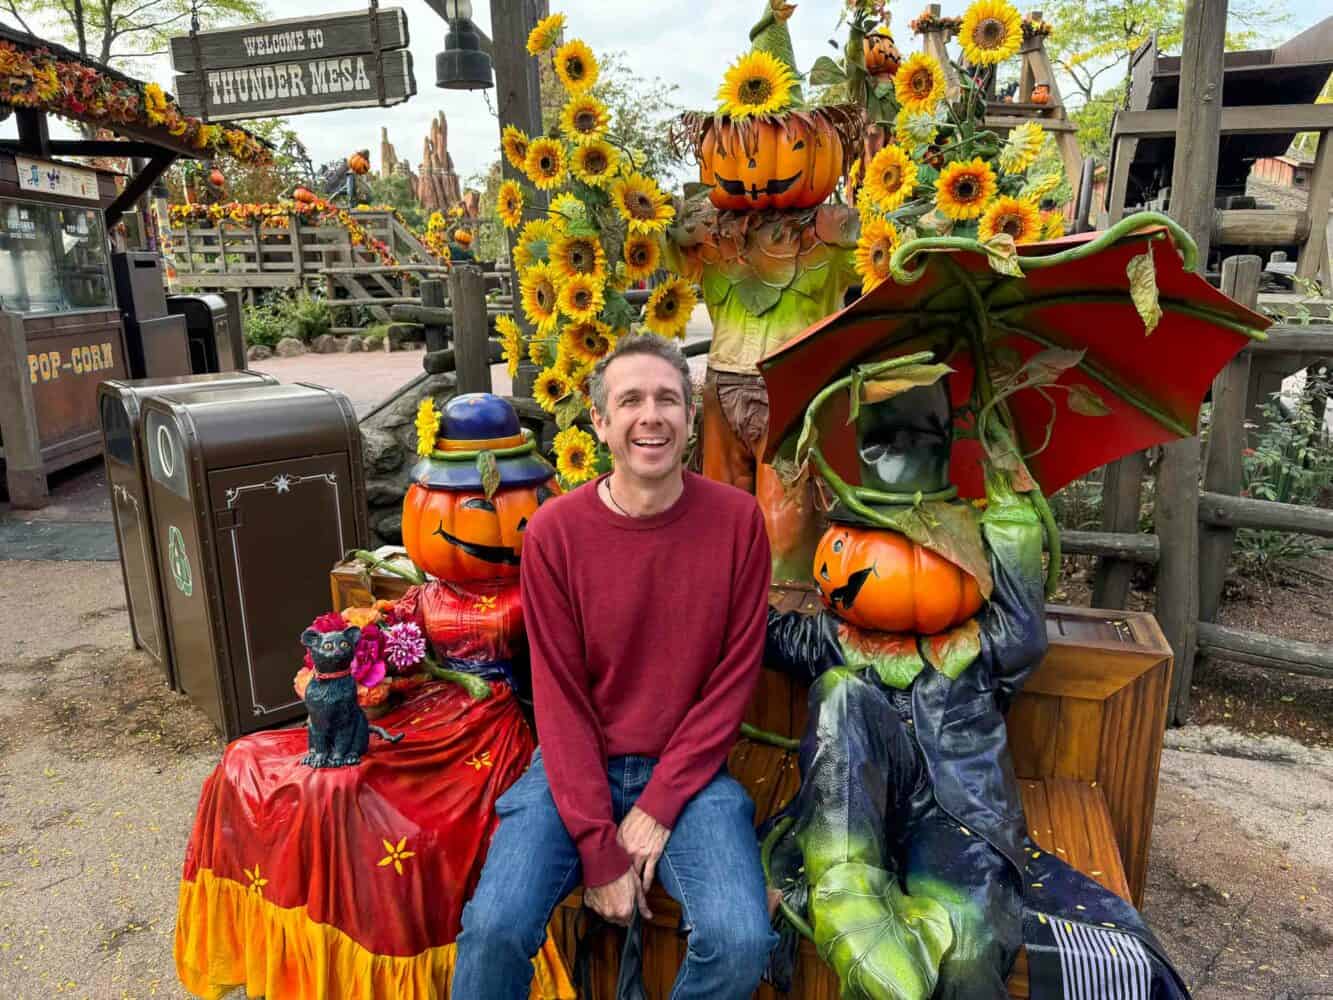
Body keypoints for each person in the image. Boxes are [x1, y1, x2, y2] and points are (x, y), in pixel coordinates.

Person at [451, 334, 778, 999]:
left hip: (688, 776)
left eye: (667, 400)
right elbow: (560, 700)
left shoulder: (737, 523)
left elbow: (731, 683)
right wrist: (600, 851)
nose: (650, 416)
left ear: (689, 420)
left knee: (741, 940)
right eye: (629, 401)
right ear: (599, 423)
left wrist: (657, 806)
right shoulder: (554, 532)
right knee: (493, 929)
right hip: (573, 769)